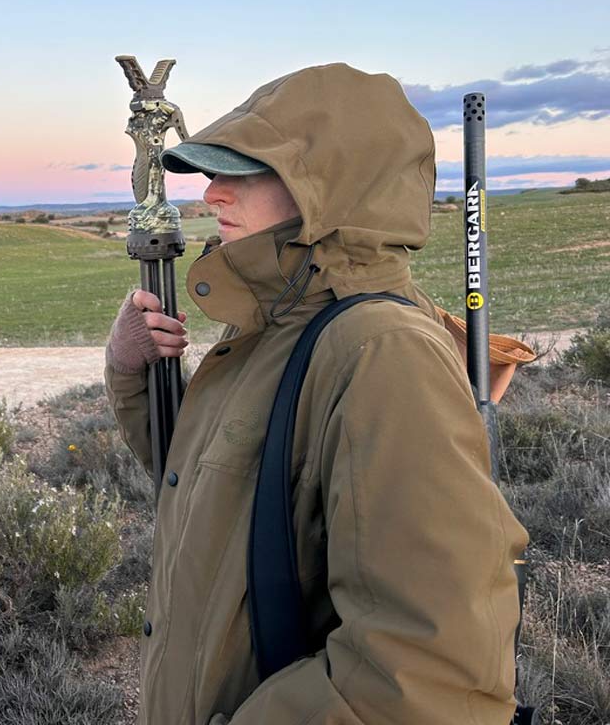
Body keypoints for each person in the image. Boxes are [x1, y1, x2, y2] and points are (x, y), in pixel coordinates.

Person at [104, 63, 528, 724]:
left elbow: (428, 676)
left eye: (243, 172)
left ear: (333, 190)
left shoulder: (379, 351)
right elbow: (208, 499)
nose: (212, 195)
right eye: (213, 173)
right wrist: (131, 373)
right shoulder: (271, 329)